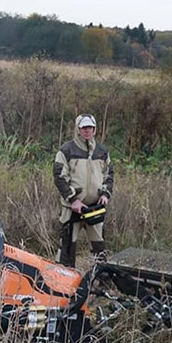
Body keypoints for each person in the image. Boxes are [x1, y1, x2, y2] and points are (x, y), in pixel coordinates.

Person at [53, 113, 114, 267]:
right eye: (84, 127)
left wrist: (106, 194)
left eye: (90, 127)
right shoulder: (66, 150)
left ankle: (100, 281)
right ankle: (63, 285)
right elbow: (59, 177)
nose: (87, 130)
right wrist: (73, 200)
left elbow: (109, 174)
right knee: (67, 248)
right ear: (78, 129)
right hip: (72, 208)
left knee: (99, 249)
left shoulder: (102, 151)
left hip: (95, 207)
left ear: (94, 129)